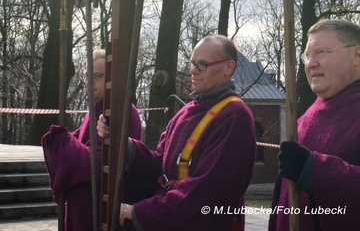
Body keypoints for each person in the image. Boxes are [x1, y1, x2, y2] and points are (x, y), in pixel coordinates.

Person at [97, 35, 256, 231]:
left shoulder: (235, 118)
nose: (192, 71)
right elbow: (160, 166)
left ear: (228, 68)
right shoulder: (187, 111)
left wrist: (139, 213)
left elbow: (206, 196)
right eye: (192, 63)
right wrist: (123, 143)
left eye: (202, 65)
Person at [269, 18, 360, 231]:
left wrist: (313, 170)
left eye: (322, 52)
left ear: (357, 55)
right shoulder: (303, 119)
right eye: (308, 55)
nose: (311, 63)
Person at [42, 49, 142, 231]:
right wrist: (61, 140)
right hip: (81, 206)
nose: (90, 81)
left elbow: (107, 162)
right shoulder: (94, 108)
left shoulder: (121, 110)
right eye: (88, 76)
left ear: (111, 78)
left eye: (97, 76)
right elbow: (80, 139)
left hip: (101, 208)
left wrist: (62, 144)